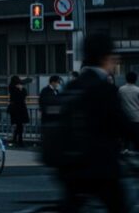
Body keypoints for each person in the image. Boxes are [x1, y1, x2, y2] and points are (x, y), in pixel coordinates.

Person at [56, 34, 138, 213]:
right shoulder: (104, 89)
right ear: (105, 57)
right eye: (113, 56)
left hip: (70, 167)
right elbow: (122, 125)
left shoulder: (73, 86)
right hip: (100, 168)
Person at [119, 71, 139, 151]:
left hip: (125, 118)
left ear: (126, 79)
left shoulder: (121, 90)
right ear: (136, 79)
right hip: (136, 118)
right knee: (137, 141)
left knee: (125, 141)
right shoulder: (137, 90)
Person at [7, 75, 29, 147]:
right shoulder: (15, 88)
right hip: (20, 108)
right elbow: (24, 95)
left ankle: (15, 139)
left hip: (15, 109)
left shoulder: (11, 87)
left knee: (18, 125)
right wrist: (21, 89)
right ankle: (19, 140)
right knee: (20, 125)